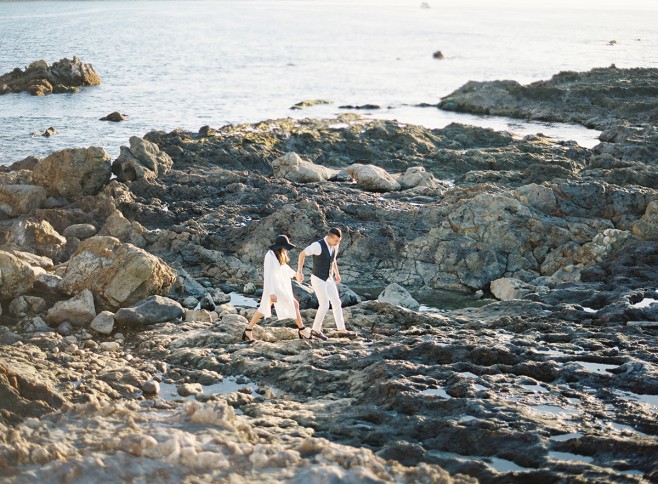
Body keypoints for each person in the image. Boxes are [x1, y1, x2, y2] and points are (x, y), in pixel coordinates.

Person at [242, 235, 312, 343]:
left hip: (278, 286)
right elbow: (268, 275)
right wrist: (271, 293)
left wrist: (295, 274)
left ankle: (248, 330)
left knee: (263, 308)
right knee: (294, 304)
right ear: (280, 247)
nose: (285, 250)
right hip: (274, 287)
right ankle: (302, 330)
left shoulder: (279, 255)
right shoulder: (269, 256)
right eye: (284, 247)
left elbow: (284, 268)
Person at [296, 227, 352, 340]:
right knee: (325, 304)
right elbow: (302, 254)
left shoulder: (335, 245)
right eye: (336, 240)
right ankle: (315, 330)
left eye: (339, 241)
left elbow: (333, 259)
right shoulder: (317, 245)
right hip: (318, 278)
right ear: (329, 237)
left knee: (336, 302)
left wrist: (337, 273)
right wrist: (299, 272)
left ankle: (341, 330)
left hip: (329, 279)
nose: (338, 243)